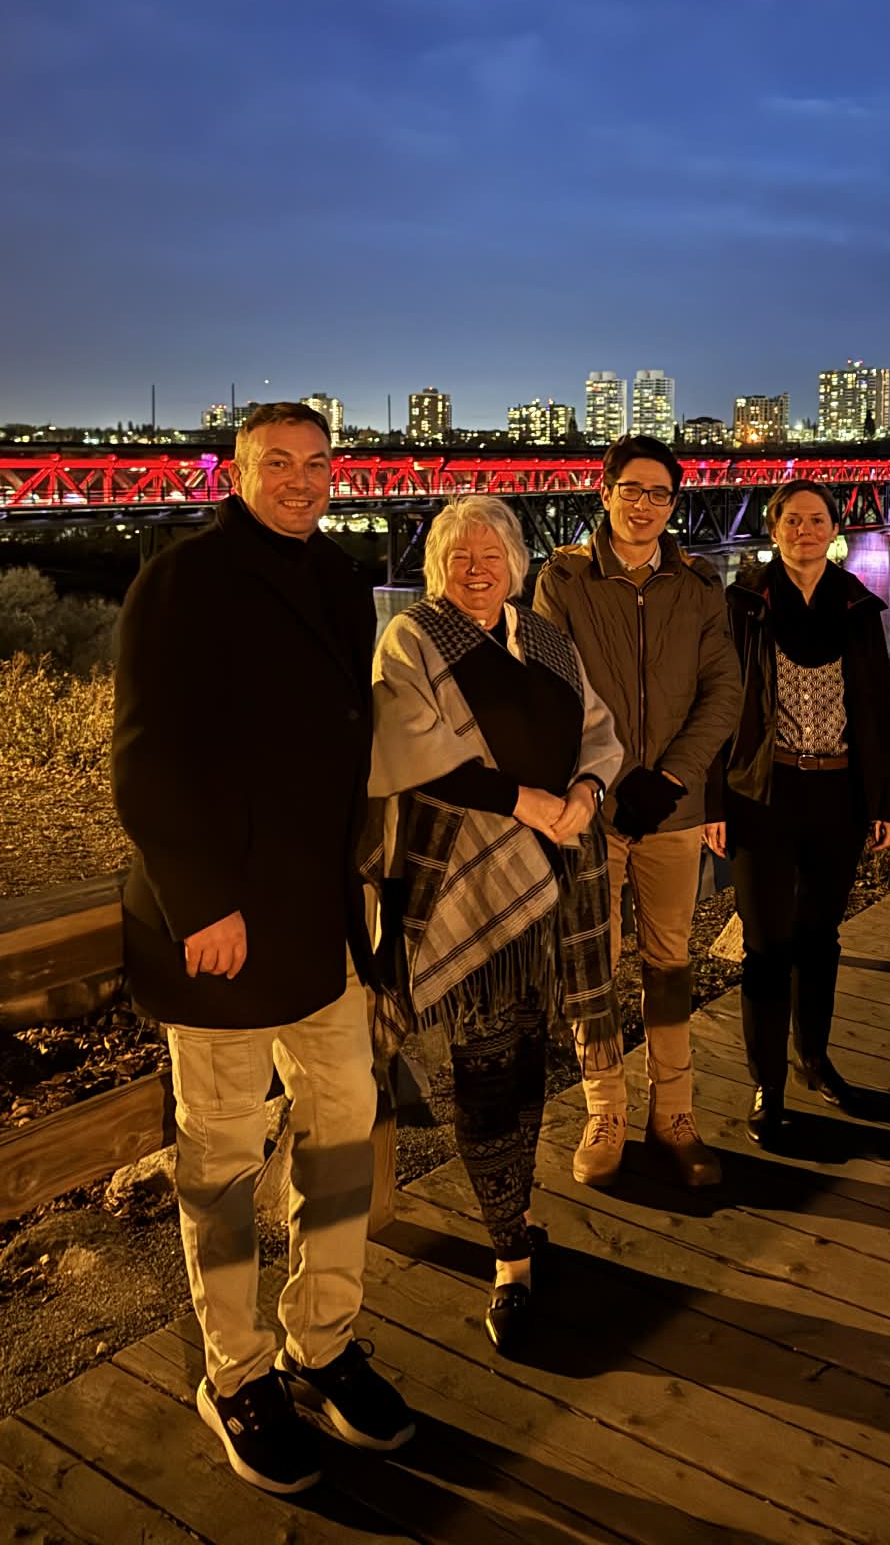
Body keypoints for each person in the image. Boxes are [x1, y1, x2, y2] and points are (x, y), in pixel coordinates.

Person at [112, 402, 414, 1498]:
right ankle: (235, 1373)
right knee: (225, 1166)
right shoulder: (181, 580)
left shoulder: (337, 577)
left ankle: (320, 1344)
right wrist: (201, 905)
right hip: (223, 935)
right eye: (276, 462)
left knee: (341, 1139)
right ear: (235, 471)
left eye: (317, 462)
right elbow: (147, 759)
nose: (300, 479)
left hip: (321, 927)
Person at [364, 495, 622, 1354]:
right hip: (464, 885)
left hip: (555, 877)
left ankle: (517, 1213)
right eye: (460, 557)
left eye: (492, 556)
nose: (477, 571)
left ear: (517, 562)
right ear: (437, 566)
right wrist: (526, 802)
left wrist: (585, 790)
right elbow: (413, 749)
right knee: (484, 1068)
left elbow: (598, 729)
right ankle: (510, 1254)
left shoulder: (543, 637)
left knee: (531, 1056)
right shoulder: (413, 638)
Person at [534, 434, 742, 1190]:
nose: (646, 505)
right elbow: (551, 691)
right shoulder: (564, 580)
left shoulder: (699, 584)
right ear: (605, 492)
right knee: (593, 965)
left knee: (670, 961)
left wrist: (674, 778)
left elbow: (724, 691)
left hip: (672, 811)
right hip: (590, 808)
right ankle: (605, 1112)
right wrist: (604, 781)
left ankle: (674, 1115)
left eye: (660, 493)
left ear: (673, 504)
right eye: (633, 489)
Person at [705, 481, 890, 1147]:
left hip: (839, 794)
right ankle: (768, 1084)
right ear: (774, 529)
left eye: (817, 520)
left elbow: (878, 705)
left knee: (820, 937)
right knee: (765, 945)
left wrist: (886, 800)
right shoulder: (743, 604)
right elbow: (717, 704)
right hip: (763, 793)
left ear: (835, 530)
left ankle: (814, 1061)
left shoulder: (856, 605)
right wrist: (712, 801)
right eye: (792, 520)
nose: (805, 530)